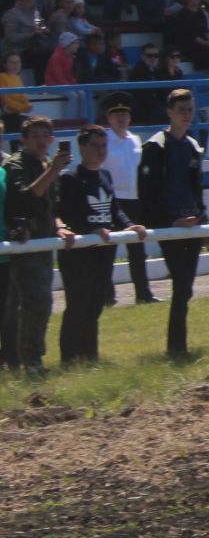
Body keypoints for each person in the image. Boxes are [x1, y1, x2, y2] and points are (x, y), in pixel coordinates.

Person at [54, 124, 144, 364]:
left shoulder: (105, 176)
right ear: (82, 147)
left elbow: (115, 210)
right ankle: (70, 358)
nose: (100, 150)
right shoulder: (70, 178)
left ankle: (90, 357)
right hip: (78, 254)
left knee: (95, 305)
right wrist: (88, 230)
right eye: (95, 145)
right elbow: (65, 215)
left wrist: (128, 226)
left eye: (104, 145)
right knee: (78, 305)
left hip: (104, 252)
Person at [136, 88, 207, 358]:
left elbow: (196, 188)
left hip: (191, 224)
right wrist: (169, 220)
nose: (187, 115)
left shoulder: (191, 146)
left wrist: (202, 217)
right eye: (182, 110)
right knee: (181, 286)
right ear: (169, 112)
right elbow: (148, 193)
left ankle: (179, 345)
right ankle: (177, 347)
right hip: (170, 225)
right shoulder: (155, 146)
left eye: (190, 110)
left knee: (186, 288)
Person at [2, 116, 69, 372]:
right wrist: (52, 171)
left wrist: (60, 224)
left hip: (45, 240)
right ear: (24, 139)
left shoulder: (46, 163)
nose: (41, 141)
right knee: (34, 302)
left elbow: (52, 205)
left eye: (45, 136)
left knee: (36, 303)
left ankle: (24, 358)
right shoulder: (17, 163)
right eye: (36, 136)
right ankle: (30, 360)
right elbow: (24, 198)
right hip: (25, 244)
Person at [99, 94, 156, 305]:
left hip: (134, 199)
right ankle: (107, 296)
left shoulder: (135, 140)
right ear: (109, 117)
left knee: (137, 249)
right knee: (109, 250)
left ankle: (143, 293)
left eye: (124, 113)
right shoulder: (104, 140)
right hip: (113, 200)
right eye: (116, 114)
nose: (121, 118)